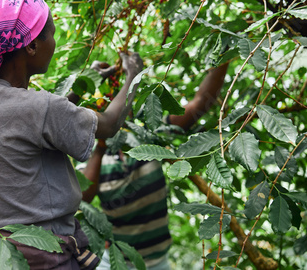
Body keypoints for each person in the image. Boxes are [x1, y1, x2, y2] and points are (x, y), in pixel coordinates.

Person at [0, 0, 144, 269]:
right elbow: (106, 125)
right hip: (41, 254)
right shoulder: (39, 109)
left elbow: (33, 124)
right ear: (32, 45)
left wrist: (80, 89)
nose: (54, 43)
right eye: (52, 35)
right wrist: (134, 75)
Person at [81, 62, 229, 270]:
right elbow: (83, 194)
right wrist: (103, 142)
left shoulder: (149, 133)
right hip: (115, 261)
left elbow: (199, 104)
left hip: (157, 261)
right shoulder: (90, 151)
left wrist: (225, 54)